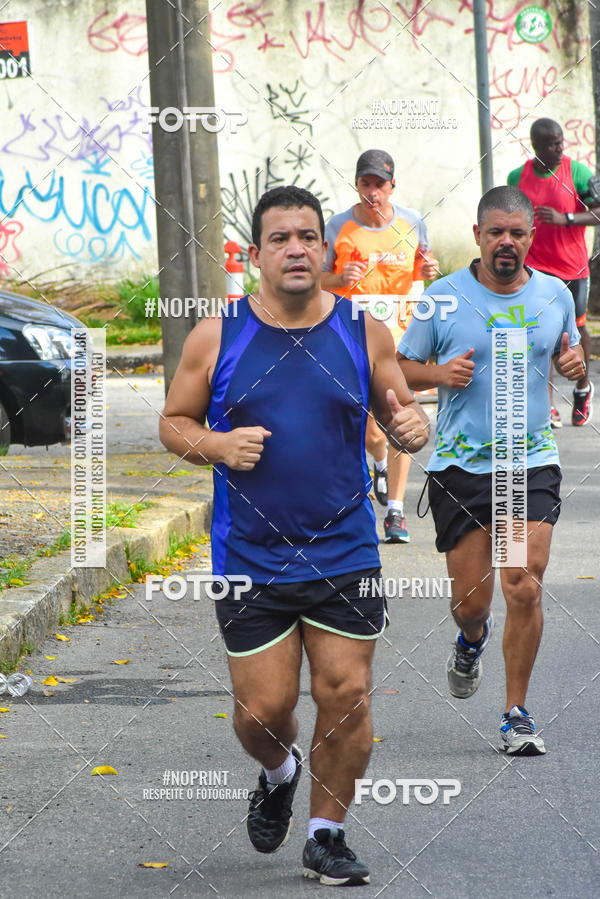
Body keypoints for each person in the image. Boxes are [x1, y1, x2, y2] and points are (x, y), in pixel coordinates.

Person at [159, 185, 429, 885]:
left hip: (345, 547)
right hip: (250, 555)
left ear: (326, 247)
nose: (296, 249)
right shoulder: (219, 334)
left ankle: (326, 834)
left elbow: (400, 408)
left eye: (308, 235)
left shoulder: (363, 331)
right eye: (280, 238)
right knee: (262, 712)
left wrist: (411, 428)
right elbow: (174, 421)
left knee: (347, 691)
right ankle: (279, 771)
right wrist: (215, 446)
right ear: (255, 256)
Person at [397, 186, 584, 755]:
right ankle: (471, 639)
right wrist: (437, 375)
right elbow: (400, 367)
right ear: (478, 235)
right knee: (473, 603)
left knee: (522, 583)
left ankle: (516, 713)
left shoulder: (554, 294)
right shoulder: (442, 297)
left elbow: (572, 356)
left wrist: (576, 365)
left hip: (530, 461)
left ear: (532, 238)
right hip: (463, 466)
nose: (507, 242)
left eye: (518, 233)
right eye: (496, 232)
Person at [321, 149, 438, 543]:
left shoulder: (412, 222)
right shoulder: (338, 227)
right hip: (354, 339)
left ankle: (396, 511)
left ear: (392, 187)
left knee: (400, 420)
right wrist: (339, 279)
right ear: (357, 185)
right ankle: (379, 464)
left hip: (401, 341)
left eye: (380, 185)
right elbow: (316, 282)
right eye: (366, 183)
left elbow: (424, 267)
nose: (373, 192)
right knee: (372, 432)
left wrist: (427, 271)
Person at [508, 117, 600, 427]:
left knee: (575, 332)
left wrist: (567, 219)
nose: (560, 147)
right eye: (552, 143)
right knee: (540, 335)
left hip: (572, 269)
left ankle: (582, 388)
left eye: (561, 141)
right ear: (535, 146)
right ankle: (546, 405)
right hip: (535, 270)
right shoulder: (516, 177)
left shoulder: (577, 172)